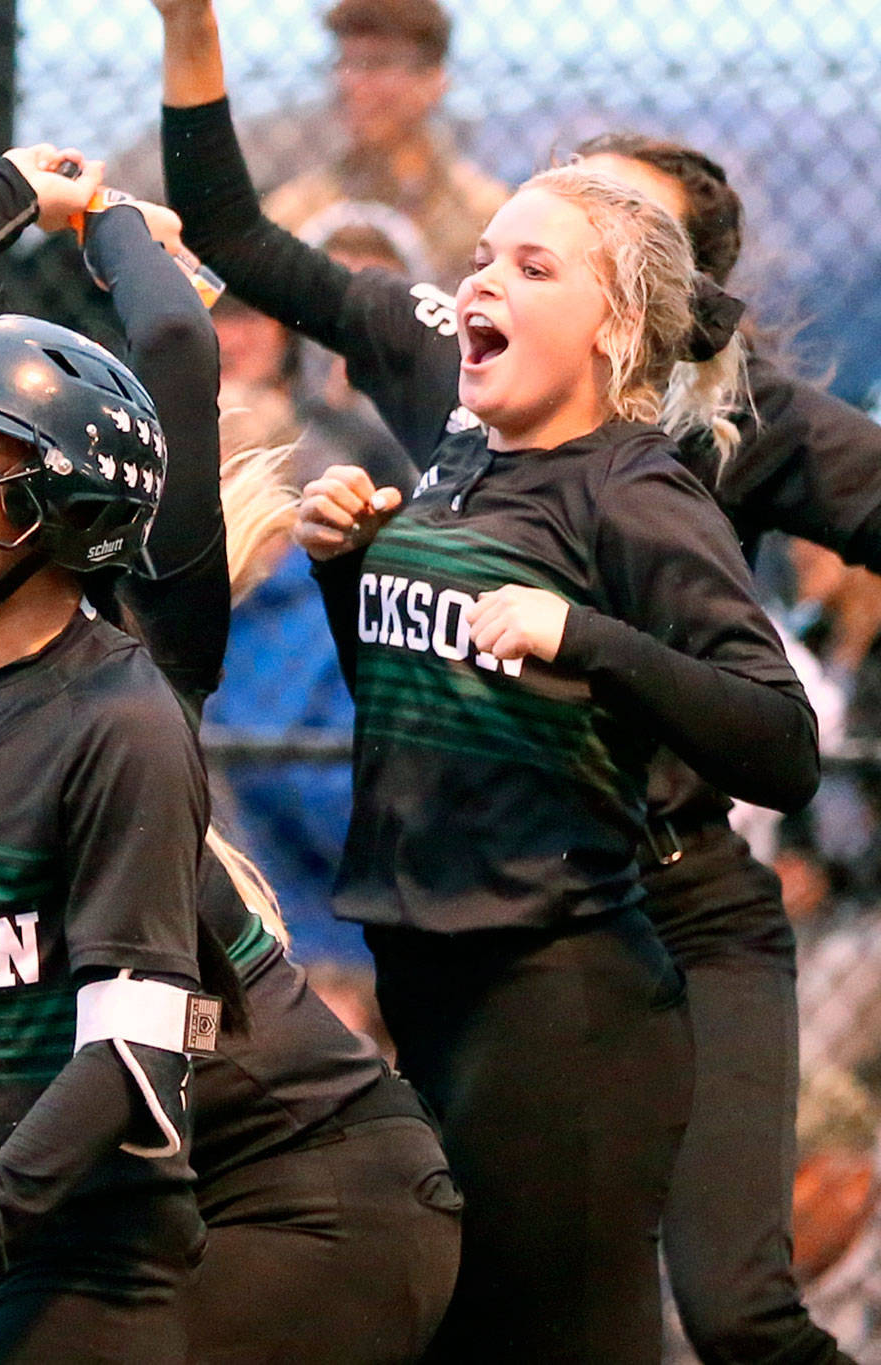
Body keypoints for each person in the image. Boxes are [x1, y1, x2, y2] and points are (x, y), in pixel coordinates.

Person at [156, 5, 881, 1358]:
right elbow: (238, 234)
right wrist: (191, 31)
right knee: (476, 1299)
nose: (491, 271)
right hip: (476, 908)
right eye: (503, 245)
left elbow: (768, 727)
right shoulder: (468, 395)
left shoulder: (715, 439)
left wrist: (584, 633)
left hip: (662, 901)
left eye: (566, 243)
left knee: (727, 1305)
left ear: (648, 299)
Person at [0, 146, 458, 1363]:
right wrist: (10, 191)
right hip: (78, 1188)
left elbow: (172, 360)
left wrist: (110, 224)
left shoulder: (123, 685)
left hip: (282, 1183)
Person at [260, 0, 506, 288]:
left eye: (377, 63)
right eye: (345, 62)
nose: (352, 82)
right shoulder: (293, 212)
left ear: (434, 79)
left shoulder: (488, 217)